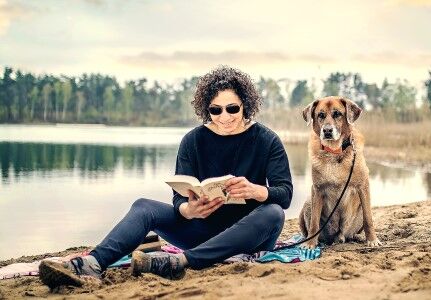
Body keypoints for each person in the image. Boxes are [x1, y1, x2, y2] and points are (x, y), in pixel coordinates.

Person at [39, 66, 293, 287]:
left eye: (232, 108)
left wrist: (257, 191)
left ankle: (179, 262)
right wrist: (188, 211)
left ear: (245, 105)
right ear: (207, 109)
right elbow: (177, 198)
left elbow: (285, 194)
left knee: (273, 212)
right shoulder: (193, 140)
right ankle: (93, 263)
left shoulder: (266, 139)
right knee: (144, 206)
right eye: (216, 110)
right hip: (201, 232)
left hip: (249, 236)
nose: (224, 117)